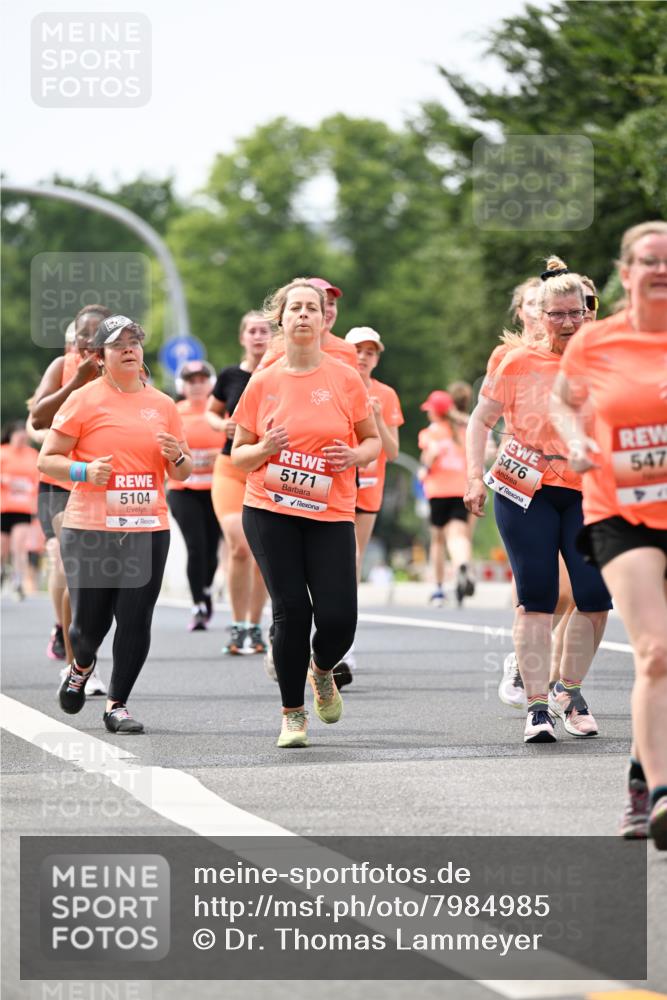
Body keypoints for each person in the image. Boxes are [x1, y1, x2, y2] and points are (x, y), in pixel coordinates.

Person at [551, 221, 667, 848]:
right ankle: (657, 791)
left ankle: (638, 772)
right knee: (656, 651)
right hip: (620, 509)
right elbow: (564, 400)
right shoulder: (597, 342)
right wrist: (576, 440)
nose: (661, 270)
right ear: (626, 273)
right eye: (649, 260)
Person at [465, 256, 612, 744]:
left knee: (593, 597)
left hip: (588, 489)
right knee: (537, 597)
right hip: (524, 489)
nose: (568, 322)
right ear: (538, 316)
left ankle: (567, 691)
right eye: (557, 314)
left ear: (589, 312)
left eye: (577, 312)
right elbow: (480, 421)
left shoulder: (606, 359)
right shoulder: (516, 361)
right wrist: (471, 476)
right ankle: (536, 708)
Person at [231, 278, 380, 748]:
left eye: (311, 309)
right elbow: (237, 455)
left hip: (331, 509)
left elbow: (372, 440)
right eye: (293, 308)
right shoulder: (264, 380)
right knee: (291, 610)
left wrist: (355, 457)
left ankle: (322, 669)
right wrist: (264, 447)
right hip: (269, 507)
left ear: (323, 319)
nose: (302, 315)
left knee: (339, 618)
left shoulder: (344, 376)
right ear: (281, 318)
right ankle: (292, 713)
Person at [38, 314, 191, 734]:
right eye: (117, 343)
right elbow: (46, 458)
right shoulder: (84, 399)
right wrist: (86, 472)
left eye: (134, 342)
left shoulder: (162, 405)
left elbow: (183, 472)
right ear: (101, 357)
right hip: (91, 527)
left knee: (136, 617)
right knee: (89, 624)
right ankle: (82, 664)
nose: (128, 348)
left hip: (147, 526)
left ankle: (118, 703)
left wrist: (177, 455)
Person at [31, 304, 111, 690]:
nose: (89, 340)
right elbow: (38, 419)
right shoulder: (62, 368)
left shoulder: (125, 367)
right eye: (83, 333)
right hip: (61, 483)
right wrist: (76, 381)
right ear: (74, 338)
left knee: (98, 575)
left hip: (104, 484)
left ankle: (75, 638)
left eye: (98, 333)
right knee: (68, 563)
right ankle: (78, 664)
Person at [332, 326, 404, 686]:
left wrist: (375, 417)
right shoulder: (334, 383)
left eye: (371, 352)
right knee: (331, 565)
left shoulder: (386, 395)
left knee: (351, 564)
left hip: (369, 491)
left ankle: (343, 646)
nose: (363, 357)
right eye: (357, 349)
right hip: (334, 487)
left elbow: (391, 451)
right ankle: (324, 637)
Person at [207, 312, 272, 654]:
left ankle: (254, 624)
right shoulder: (231, 376)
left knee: (264, 551)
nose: (258, 336)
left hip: (266, 469)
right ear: (242, 337)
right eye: (252, 330)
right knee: (239, 545)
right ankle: (236, 624)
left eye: (264, 330)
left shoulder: (280, 374)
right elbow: (210, 411)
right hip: (231, 466)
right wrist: (221, 427)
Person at [167, 360, 223, 631]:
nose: (197, 385)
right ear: (183, 386)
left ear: (210, 383)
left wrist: (222, 454)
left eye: (202, 379)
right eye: (191, 380)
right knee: (196, 546)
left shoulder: (219, 413)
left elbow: (237, 443)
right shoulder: (174, 413)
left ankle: (207, 588)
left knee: (212, 552)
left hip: (216, 488)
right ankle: (198, 603)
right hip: (183, 490)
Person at [419, 390, 475, 606]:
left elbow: (430, 455)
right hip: (461, 489)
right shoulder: (463, 431)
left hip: (438, 491)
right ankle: (462, 564)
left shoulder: (430, 432)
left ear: (434, 412)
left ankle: (439, 589)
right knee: (458, 535)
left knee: (437, 540)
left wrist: (425, 468)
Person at [256, 277, 359, 371]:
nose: (327, 310)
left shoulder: (348, 350)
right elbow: (260, 384)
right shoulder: (277, 348)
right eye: (320, 304)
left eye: (331, 303)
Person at [1, 421, 39, 599]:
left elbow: (39, 479)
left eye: (24, 436)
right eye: (18, 435)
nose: (21, 439)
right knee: (2, 548)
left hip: (23, 507)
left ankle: (17, 581)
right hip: (3, 507)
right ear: (11, 435)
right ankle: (2, 571)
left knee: (18, 546)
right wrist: (5, 479)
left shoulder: (32, 455)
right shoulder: (2, 452)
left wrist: (29, 489)